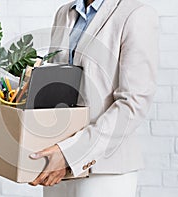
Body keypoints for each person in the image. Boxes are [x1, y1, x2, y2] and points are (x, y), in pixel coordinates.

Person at [29, 0, 159, 196]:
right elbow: (56, 88)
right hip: (56, 165)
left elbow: (133, 103)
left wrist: (71, 153)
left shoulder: (136, 14)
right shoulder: (64, 13)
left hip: (104, 170)